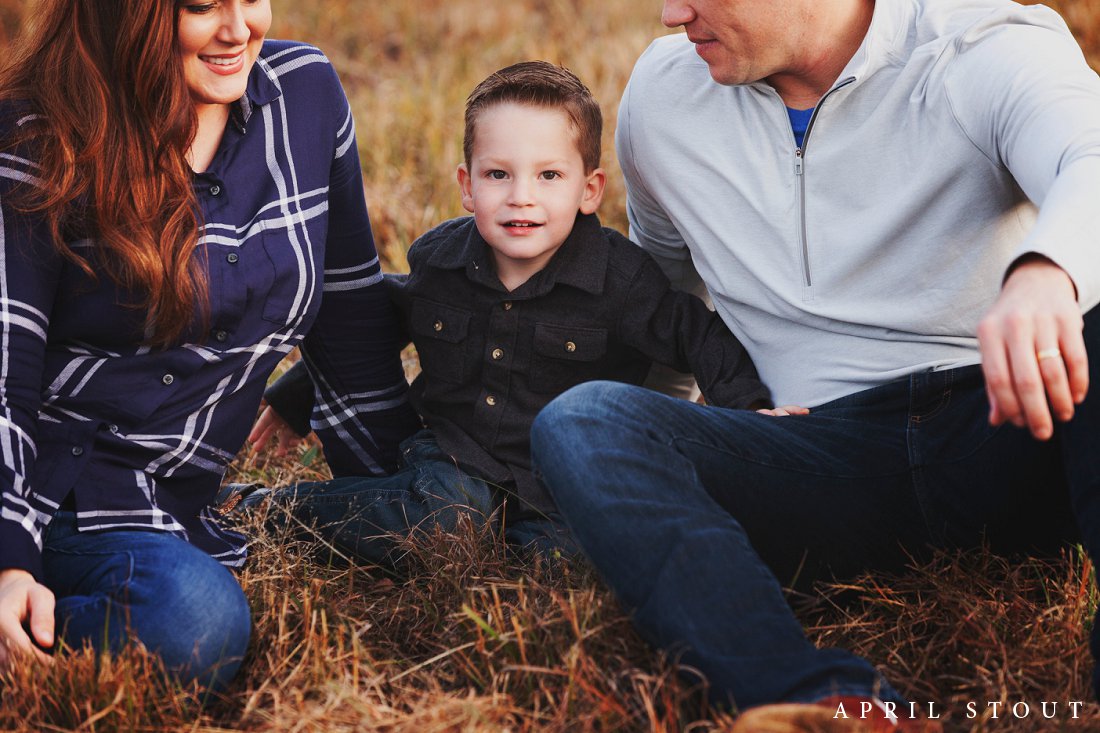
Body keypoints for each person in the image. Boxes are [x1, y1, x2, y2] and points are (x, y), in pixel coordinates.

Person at [529, 0, 1100, 730]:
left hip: (1014, 423)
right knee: (586, 419)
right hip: (818, 455)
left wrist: (1047, 274)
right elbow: (667, 306)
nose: (672, 13)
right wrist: (661, 451)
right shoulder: (665, 98)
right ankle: (819, 700)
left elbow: (1089, 156)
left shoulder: (979, 45)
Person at [0, 0, 419, 692]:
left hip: (185, 497)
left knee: (434, 509)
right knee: (193, 622)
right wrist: (8, 559)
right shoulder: (36, 134)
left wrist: (396, 496)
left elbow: (349, 318)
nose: (238, 29)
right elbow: (5, 375)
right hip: (52, 490)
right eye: (200, 6)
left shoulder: (304, 95)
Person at [244, 61, 787, 566]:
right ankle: (268, 509)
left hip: (564, 478)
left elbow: (695, 332)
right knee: (443, 521)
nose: (521, 196)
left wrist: (748, 412)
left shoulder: (619, 279)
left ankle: (521, 546)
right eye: (498, 174)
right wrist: (296, 396)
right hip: (455, 459)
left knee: (574, 557)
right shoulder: (441, 262)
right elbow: (376, 322)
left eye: (549, 176)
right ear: (467, 185)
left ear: (589, 190)